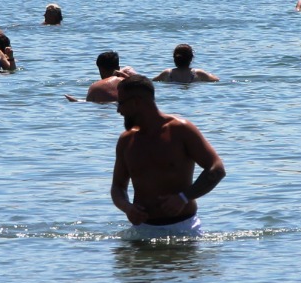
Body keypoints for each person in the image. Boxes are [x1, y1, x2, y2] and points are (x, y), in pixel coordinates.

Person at [111, 75, 226, 240]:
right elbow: (118, 187)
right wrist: (127, 208)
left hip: (184, 230)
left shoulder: (180, 130)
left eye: (121, 103)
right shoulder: (126, 140)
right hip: (142, 231)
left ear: (137, 102)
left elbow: (217, 169)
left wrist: (183, 197)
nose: (118, 110)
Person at [68, 50, 135, 103]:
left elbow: (89, 103)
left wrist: (76, 102)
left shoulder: (96, 87)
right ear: (118, 68)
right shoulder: (132, 83)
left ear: (101, 70)